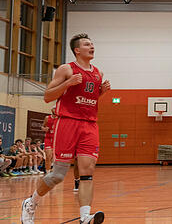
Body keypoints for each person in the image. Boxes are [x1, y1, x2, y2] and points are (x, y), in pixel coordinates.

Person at [21, 33, 111, 224]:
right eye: (87, 44)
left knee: (88, 171)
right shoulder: (66, 69)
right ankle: (31, 203)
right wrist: (68, 83)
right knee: (58, 175)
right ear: (77, 50)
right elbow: (47, 96)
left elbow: (88, 101)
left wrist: (100, 93)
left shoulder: (98, 73)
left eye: (92, 43)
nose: (92, 46)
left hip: (90, 124)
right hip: (68, 122)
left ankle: (85, 216)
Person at [42, 107, 57, 173]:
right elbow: (43, 126)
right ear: (52, 110)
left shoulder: (59, 118)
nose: (55, 110)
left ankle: (54, 170)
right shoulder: (47, 118)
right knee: (48, 156)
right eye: (54, 108)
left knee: (54, 157)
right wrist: (44, 129)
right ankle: (47, 172)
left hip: (56, 139)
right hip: (48, 138)